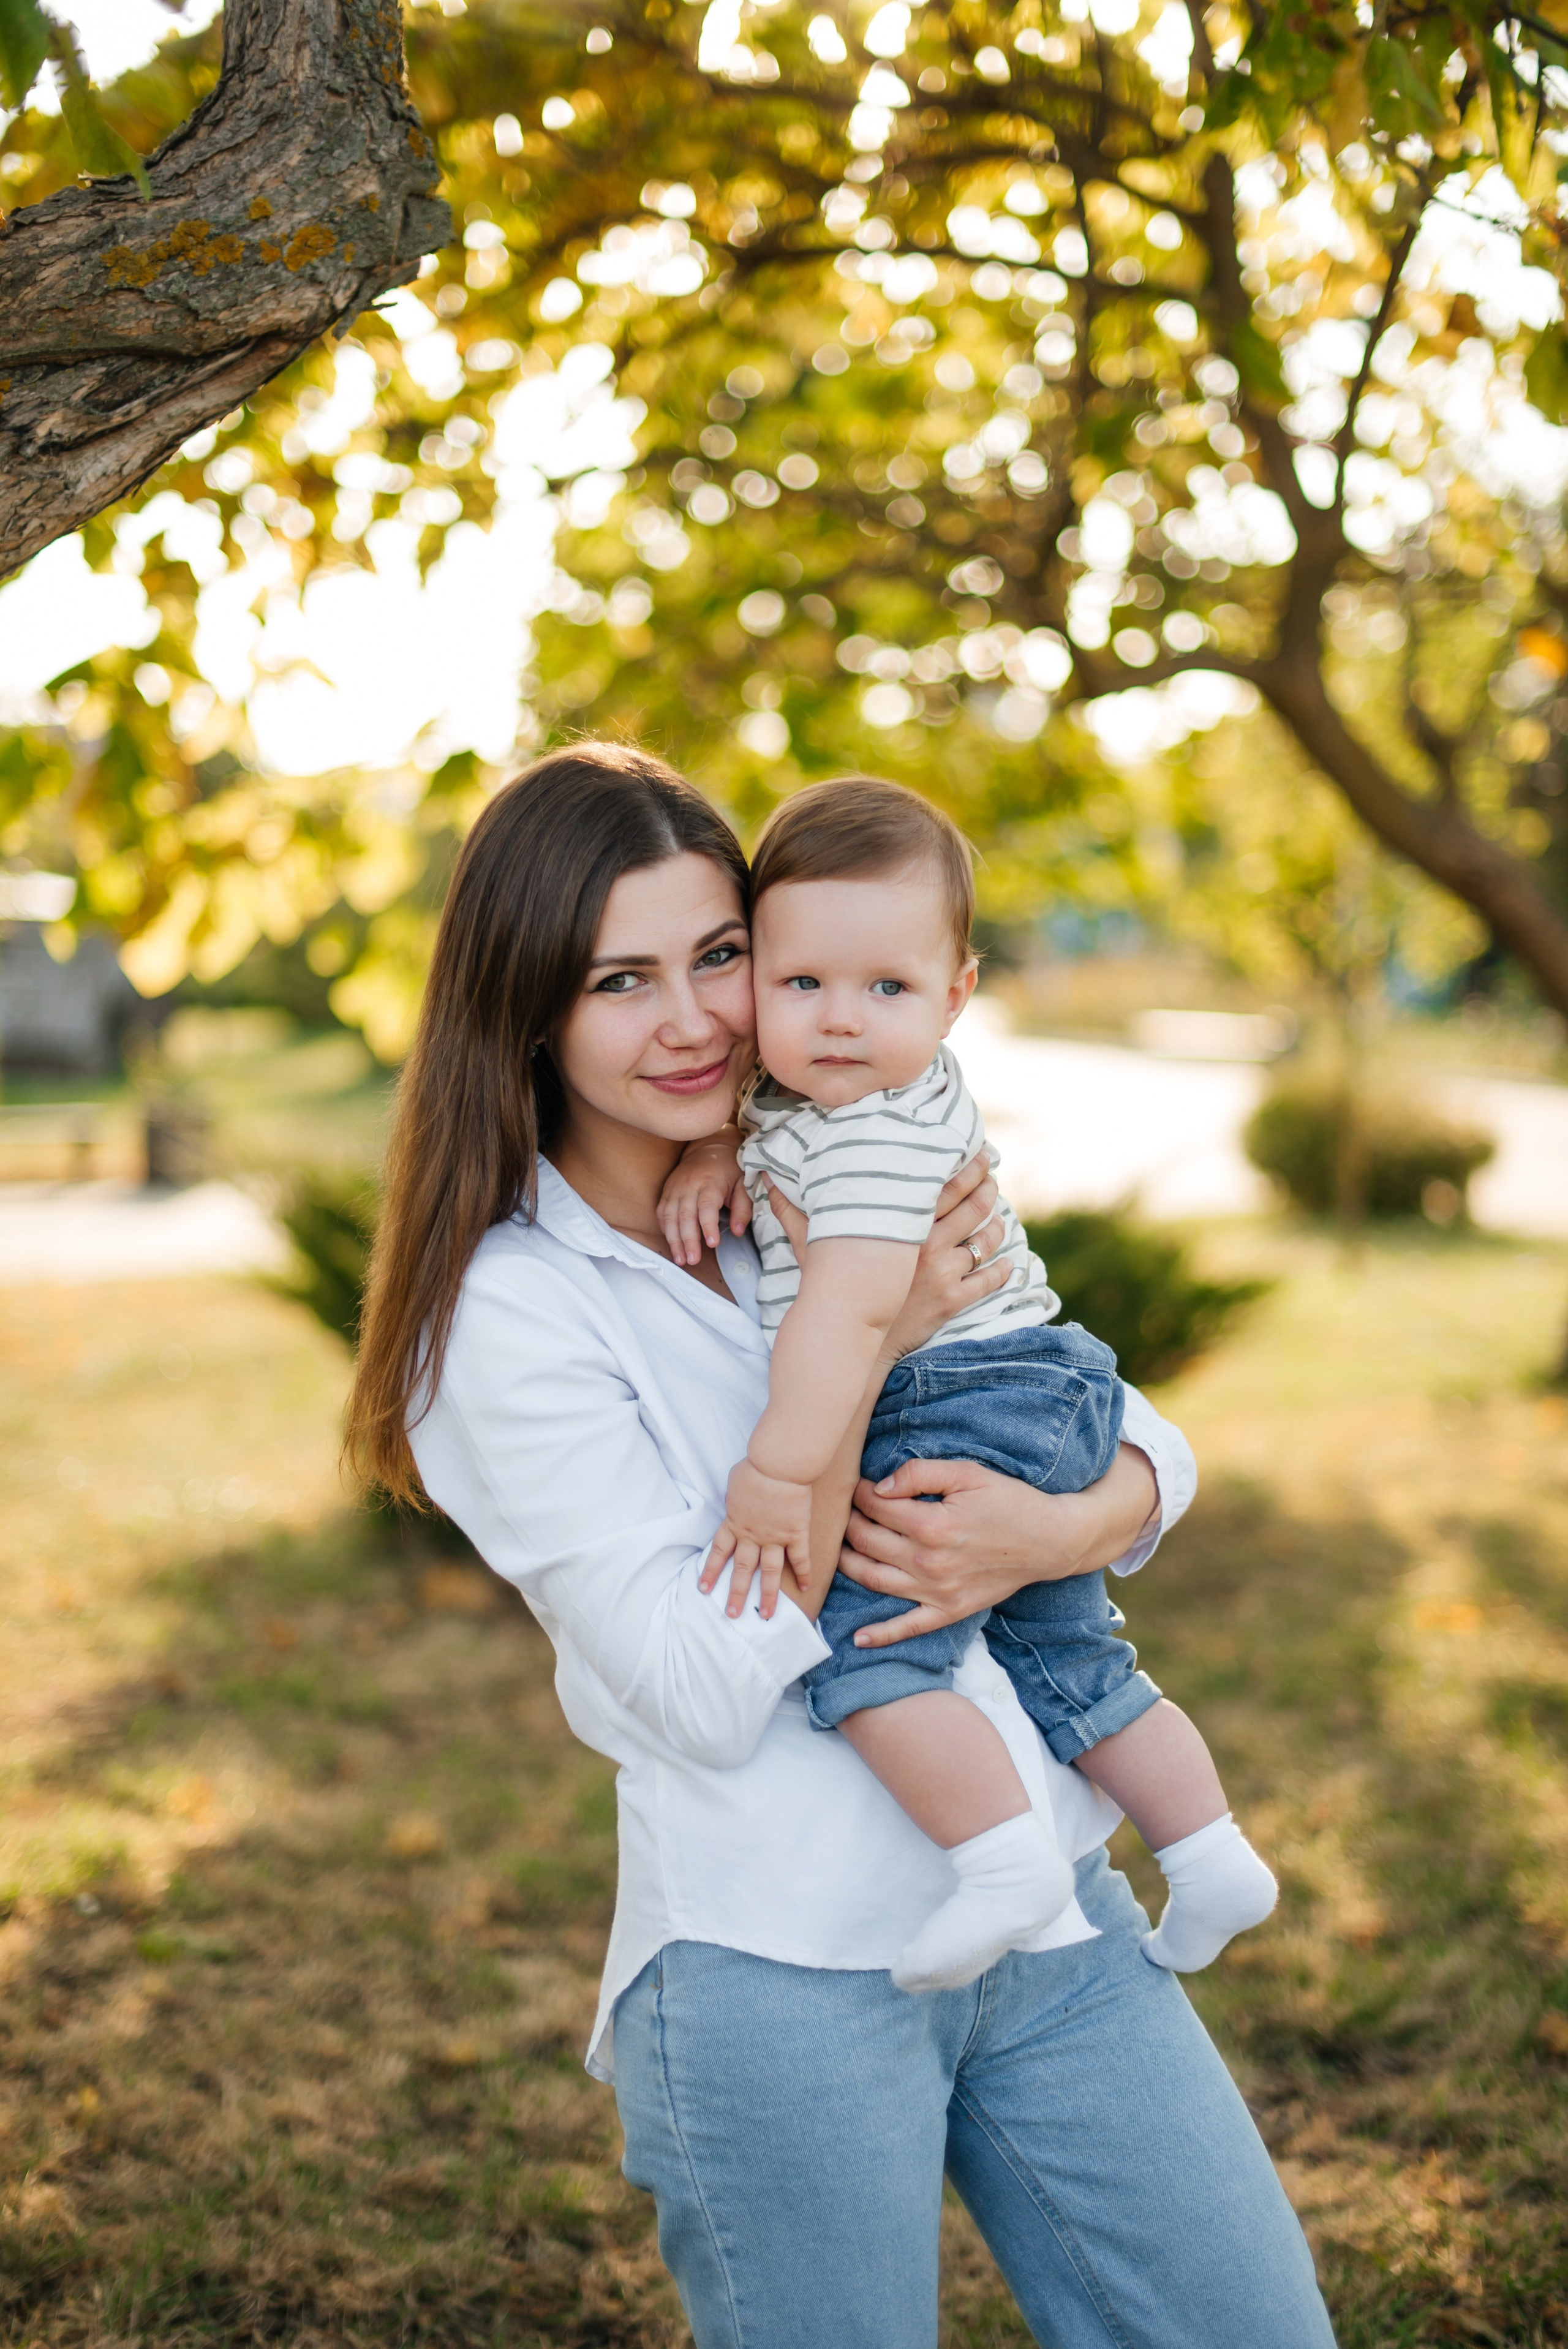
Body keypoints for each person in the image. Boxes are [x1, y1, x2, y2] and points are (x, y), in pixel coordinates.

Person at [345, 741, 1337, 2349]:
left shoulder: (829, 1135)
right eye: (619, 980)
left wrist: (1049, 1529)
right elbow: (698, 1686)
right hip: (781, 1966)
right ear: (527, 1006)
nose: (693, 1020)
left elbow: (1131, 1433)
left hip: (1055, 1911)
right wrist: (872, 1341)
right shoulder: (506, 1314)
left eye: (719, 955)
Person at [656, 778, 1276, 1996]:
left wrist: (777, 1470)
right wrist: (717, 1145)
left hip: (951, 1396)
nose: (840, 1020)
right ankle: (1209, 1854)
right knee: (1072, 1656)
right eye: (801, 983)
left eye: (885, 988)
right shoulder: (865, 1090)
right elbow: (775, 1114)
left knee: (862, 1651)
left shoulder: (873, 1136)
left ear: (956, 994)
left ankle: (1000, 1865)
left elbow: (854, 1311)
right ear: (756, 981)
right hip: (1038, 1383)